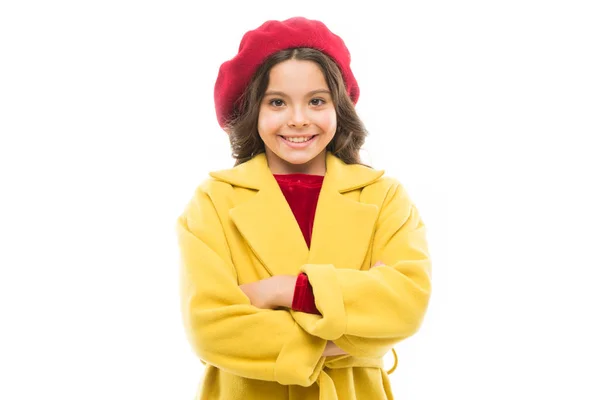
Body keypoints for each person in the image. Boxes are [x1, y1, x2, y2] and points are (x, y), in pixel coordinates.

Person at [176, 16, 432, 400]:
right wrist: (354, 338)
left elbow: (407, 304)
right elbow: (209, 328)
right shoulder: (213, 201)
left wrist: (284, 291)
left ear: (339, 106)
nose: (298, 120)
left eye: (316, 101)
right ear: (252, 111)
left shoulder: (384, 197)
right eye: (277, 102)